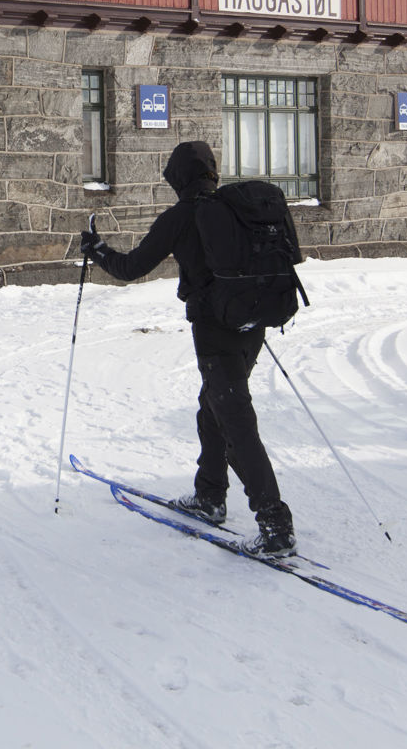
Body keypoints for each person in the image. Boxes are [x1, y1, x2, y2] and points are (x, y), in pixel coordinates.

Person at [79, 140, 298, 558]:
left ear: (177, 178)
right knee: (213, 406)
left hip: (216, 334)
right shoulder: (236, 208)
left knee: (236, 423)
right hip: (252, 327)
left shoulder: (182, 217)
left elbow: (131, 268)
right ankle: (210, 495)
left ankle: (275, 524)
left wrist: (97, 249)